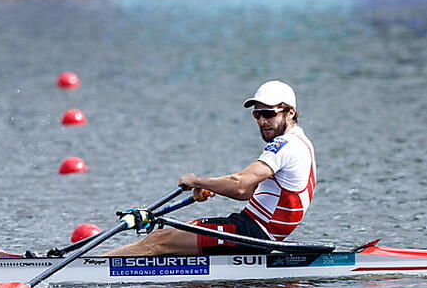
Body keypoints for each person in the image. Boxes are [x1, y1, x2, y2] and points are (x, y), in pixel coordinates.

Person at [104, 80, 316, 257]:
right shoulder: (300, 142)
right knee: (175, 235)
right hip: (253, 228)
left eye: (268, 114)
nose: (262, 121)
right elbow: (245, 192)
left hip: (254, 233)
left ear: (290, 112)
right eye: (257, 114)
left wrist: (196, 181)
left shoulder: (285, 146)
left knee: (159, 240)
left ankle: (88, 269)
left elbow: (239, 182)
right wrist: (213, 188)